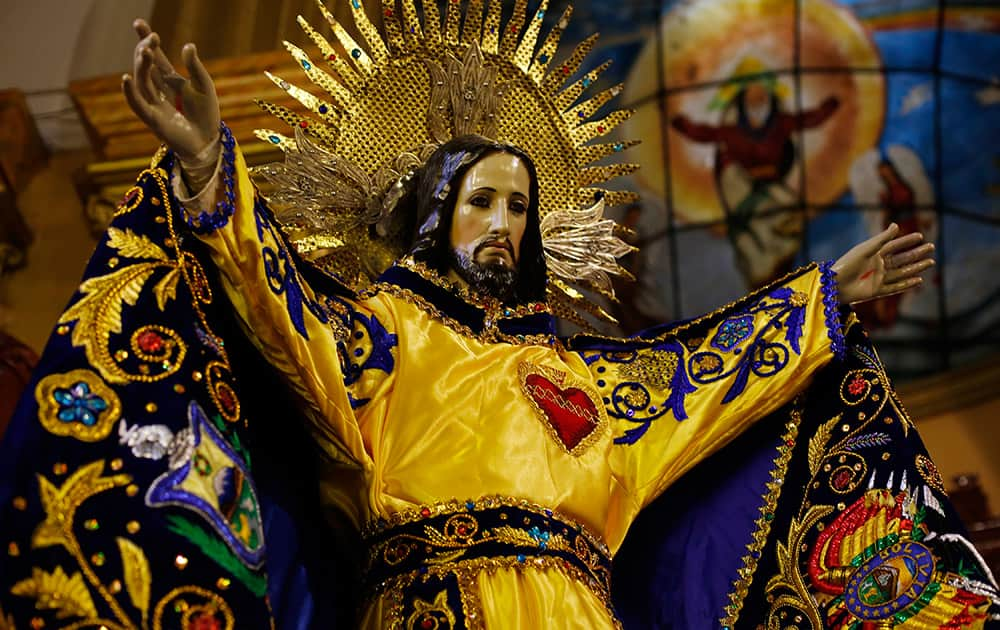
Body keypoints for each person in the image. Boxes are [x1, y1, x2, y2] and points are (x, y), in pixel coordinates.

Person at [3, 5, 996, 629]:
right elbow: (269, 298)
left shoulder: (599, 384)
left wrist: (824, 295)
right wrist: (210, 164)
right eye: (482, 199)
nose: (504, 223)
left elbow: (719, 365)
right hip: (428, 605)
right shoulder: (379, 334)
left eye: (520, 206)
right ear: (435, 214)